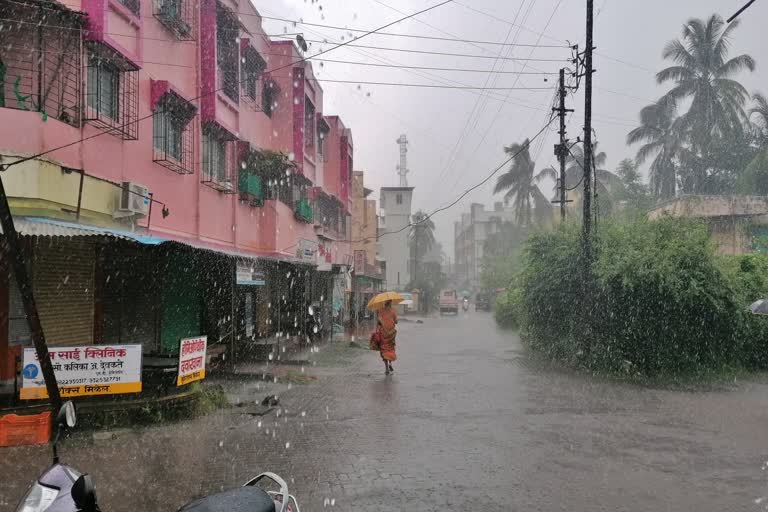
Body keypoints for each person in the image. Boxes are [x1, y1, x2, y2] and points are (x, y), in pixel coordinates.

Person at [377, 300, 398, 374]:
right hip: (391, 333)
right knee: (391, 348)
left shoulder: (380, 311)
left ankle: (386, 368)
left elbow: (379, 321)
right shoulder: (393, 311)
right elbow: (396, 321)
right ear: (390, 303)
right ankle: (390, 363)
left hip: (383, 333)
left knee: (384, 349)